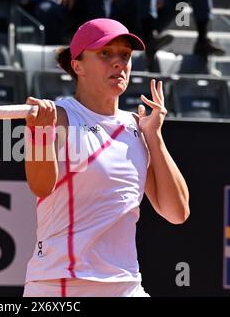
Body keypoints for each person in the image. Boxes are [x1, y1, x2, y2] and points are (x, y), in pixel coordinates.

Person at [23, 18, 190, 297]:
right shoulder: (59, 118)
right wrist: (40, 133)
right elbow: (41, 188)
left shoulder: (138, 127)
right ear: (77, 66)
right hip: (62, 284)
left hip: (126, 285)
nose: (118, 62)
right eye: (105, 53)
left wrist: (155, 138)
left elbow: (177, 212)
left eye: (124, 55)